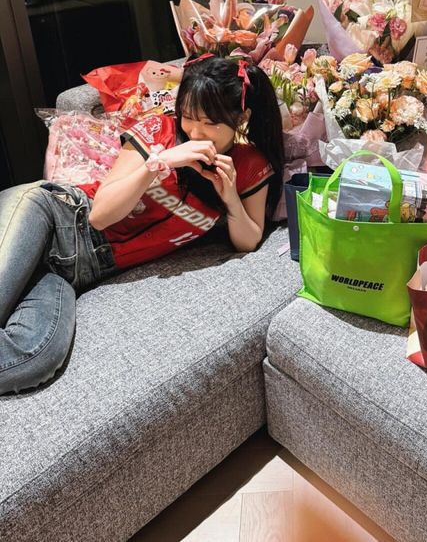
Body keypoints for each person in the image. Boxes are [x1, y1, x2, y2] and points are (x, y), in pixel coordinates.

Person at [0, 55, 284, 395]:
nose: (194, 132)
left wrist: (231, 198)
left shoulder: (249, 165)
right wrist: (157, 163)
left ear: (241, 118)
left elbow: (248, 240)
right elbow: (100, 215)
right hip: (54, 218)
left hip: (72, 273)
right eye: (188, 116)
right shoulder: (159, 132)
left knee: (35, 357)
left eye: (210, 122)